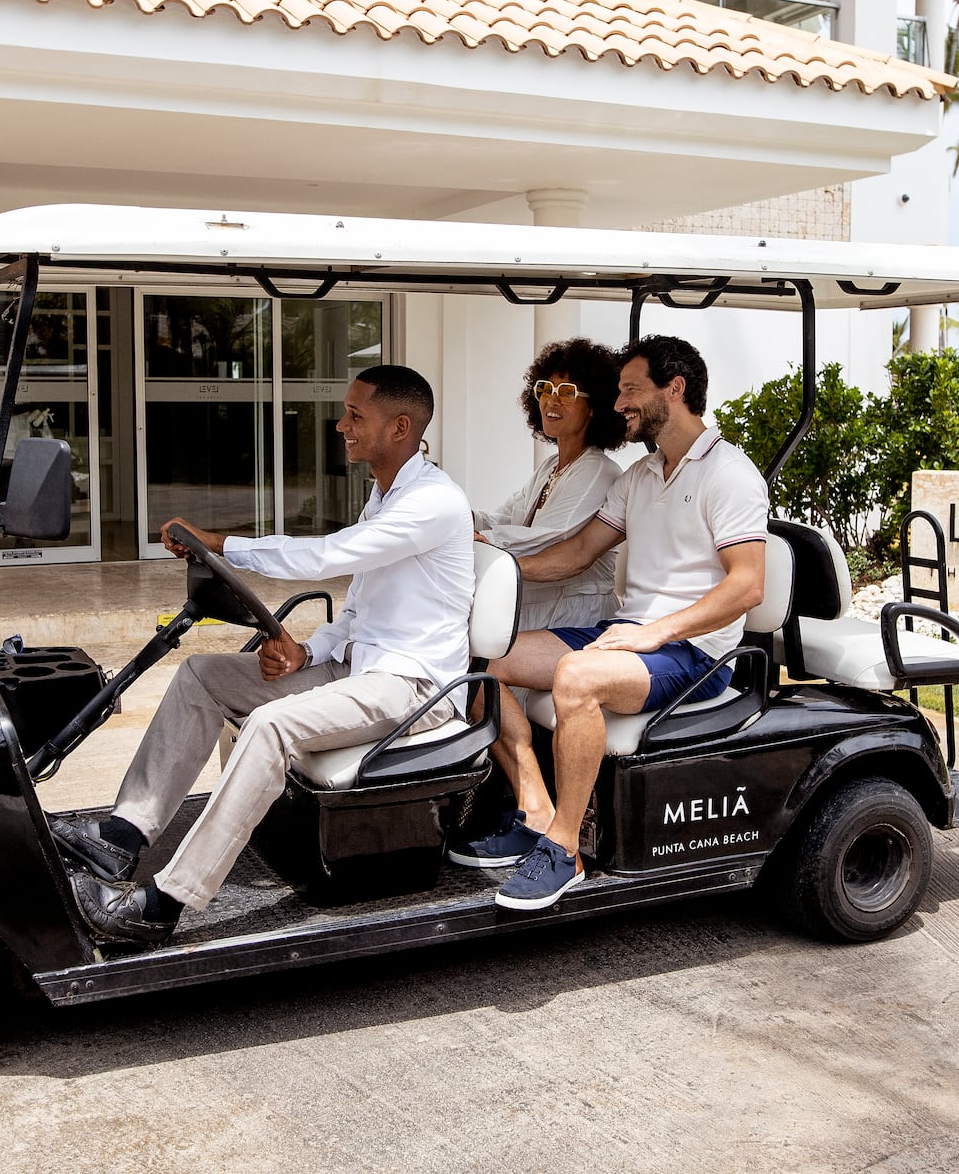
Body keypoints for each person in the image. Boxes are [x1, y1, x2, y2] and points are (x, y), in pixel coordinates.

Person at [51, 364, 474, 945]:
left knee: (272, 726)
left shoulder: (434, 503)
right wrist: (306, 651)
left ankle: (167, 902)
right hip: (355, 668)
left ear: (400, 427)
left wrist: (224, 544)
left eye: (356, 415)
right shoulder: (385, 496)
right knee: (203, 674)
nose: (340, 425)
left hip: (412, 687)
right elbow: (361, 609)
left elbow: (328, 559)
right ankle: (124, 835)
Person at [448, 335, 770, 911]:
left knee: (576, 676)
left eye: (630, 390)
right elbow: (573, 554)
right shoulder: (640, 477)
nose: (618, 403)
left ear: (675, 389)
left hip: (696, 655)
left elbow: (747, 585)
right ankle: (535, 811)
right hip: (629, 635)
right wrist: (490, 566)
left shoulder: (730, 474)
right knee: (481, 661)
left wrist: (656, 631)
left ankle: (565, 850)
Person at [473, 339, 627, 629]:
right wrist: (458, 518)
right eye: (545, 389)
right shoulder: (549, 467)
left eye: (567, 393)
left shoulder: (597, 470)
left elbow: (552, 536)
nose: (551, 401)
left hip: (576, 618)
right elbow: (503, 518)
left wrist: (486, 541)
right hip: (537, 608)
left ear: (594, 406)